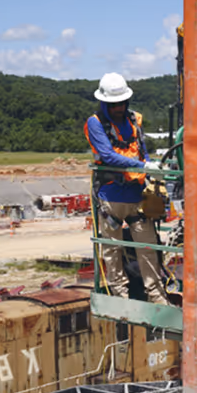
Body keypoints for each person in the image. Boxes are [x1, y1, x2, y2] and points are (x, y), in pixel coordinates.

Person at [84, 72, 167, 304]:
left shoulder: (133, 119)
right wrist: (142, 165)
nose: (119, 107)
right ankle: (120, 294)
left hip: (137, 195)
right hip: (111, 195)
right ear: (104, 102)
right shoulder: (96, 123)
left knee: (147, 247)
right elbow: (108, 156)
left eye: (121, 103)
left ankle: (156, 295)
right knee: (112, 249)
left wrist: (150, 170)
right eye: (114, 104)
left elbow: (141, 149)